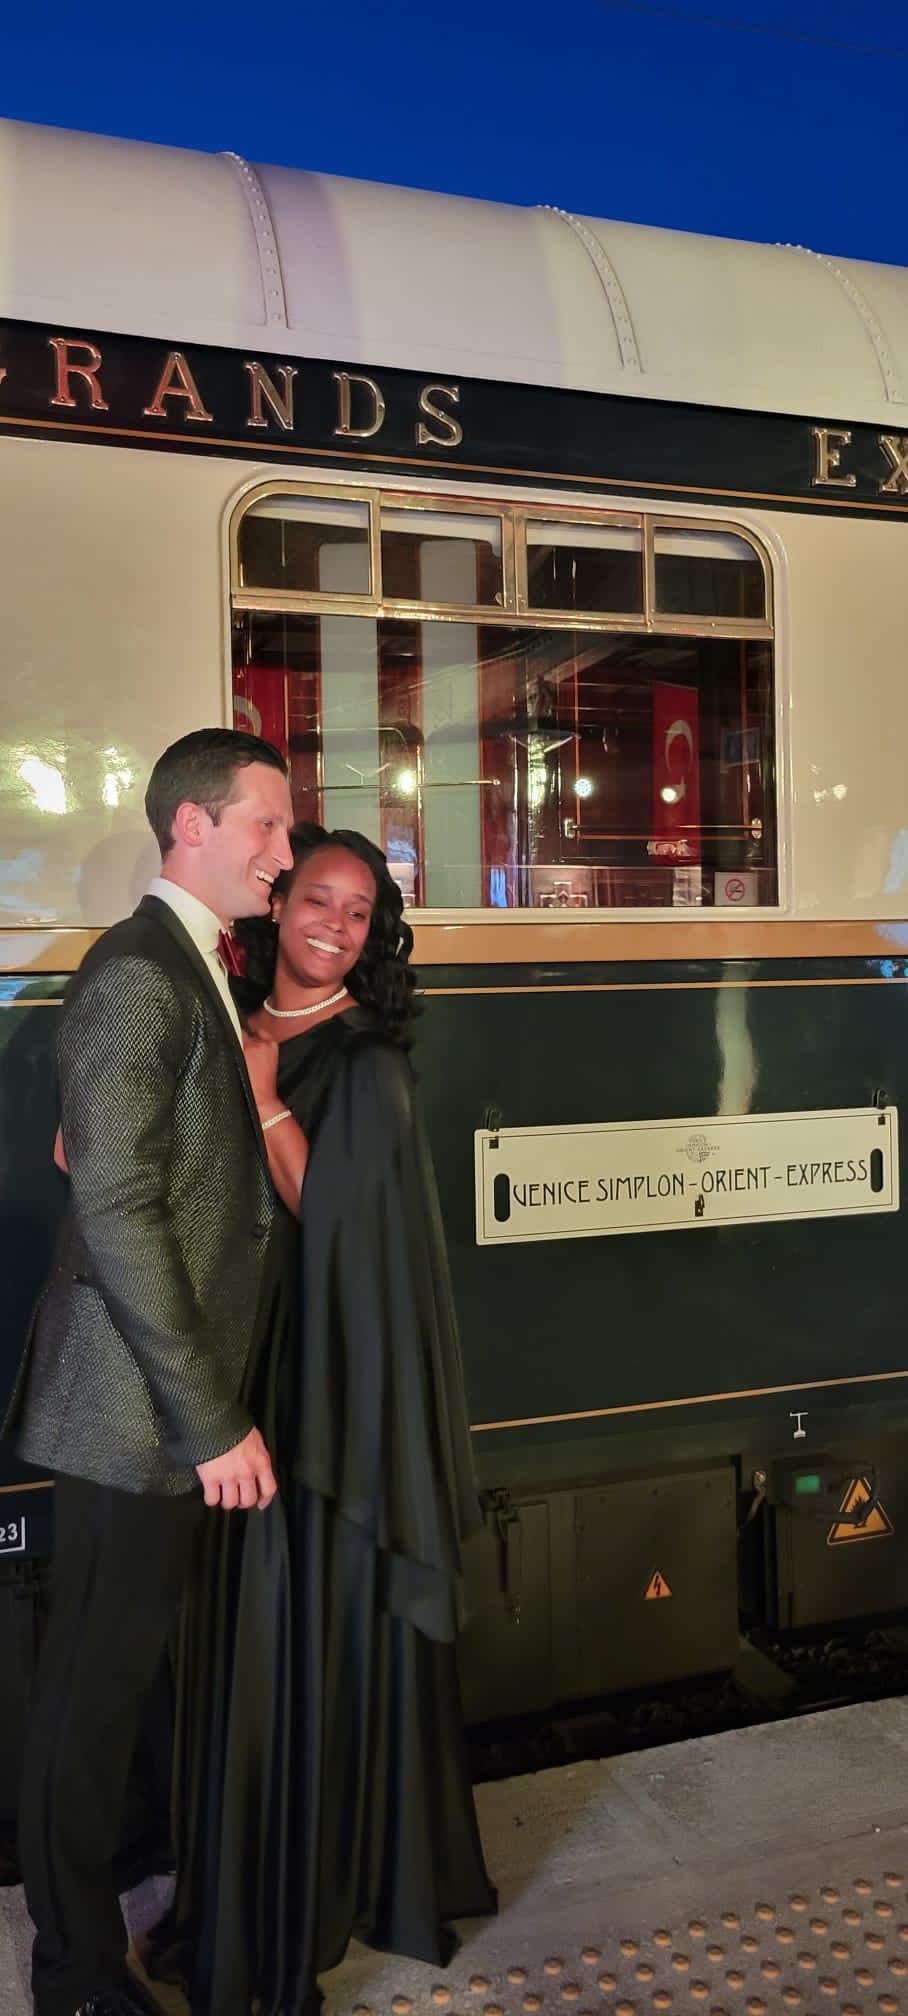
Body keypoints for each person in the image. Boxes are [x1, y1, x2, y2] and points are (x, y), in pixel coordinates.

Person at [151, 823, 496, 2016]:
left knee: (286, 1629)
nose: (335, 925)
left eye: (358, 912)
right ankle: (238, 1868)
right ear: (277, 903)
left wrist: (260, 1106)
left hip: (320, 1385)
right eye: (317, 899)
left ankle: (297, 1886)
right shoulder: (230, 1015)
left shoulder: (365, 1058)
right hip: (232, 1366)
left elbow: (335, 1221)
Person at [7, 728, 295, 2016]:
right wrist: (211, 1419)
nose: (281, 851)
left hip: (150, 1407)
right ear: (193, 826)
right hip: (132, 1412)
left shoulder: (192, 962)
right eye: (265, 826)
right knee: (89, 1698)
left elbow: (126, 1157)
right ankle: (75, 1975)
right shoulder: (140, 972)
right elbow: (121, 1209)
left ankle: (127, 1911)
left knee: (122, 1688)